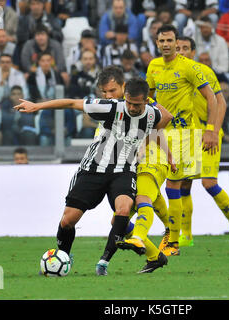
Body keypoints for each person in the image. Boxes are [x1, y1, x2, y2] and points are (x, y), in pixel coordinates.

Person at [14, 77, 173, 274]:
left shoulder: (152, 114)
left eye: (137, 105)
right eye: (129, 102)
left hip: (124, 170)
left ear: (146, 101)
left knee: (123, 209)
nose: (132, 108)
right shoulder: (111, 107)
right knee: (68, 220)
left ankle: (104, 263)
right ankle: (63, 256)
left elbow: (167, 117)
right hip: (95, 168)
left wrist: (160, 149)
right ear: (125, 97)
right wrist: (38, 106)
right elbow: (72, 103)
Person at [92, 66, 174, 275]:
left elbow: (164, 117)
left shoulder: (138, 100)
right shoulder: (114, 110)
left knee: (142, 198)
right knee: (118, 221)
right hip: (129, 164)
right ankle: (155, 256)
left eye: (112, 91)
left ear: (124, 87)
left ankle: (158, 233)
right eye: (105, 92)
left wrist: (144, 144)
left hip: (152, 158)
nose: (108, 96)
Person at [146, 24, 219, 256]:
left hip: (183, 134)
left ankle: (173, 242)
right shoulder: (153, 66)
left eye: (170, 41)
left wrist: (211, 130)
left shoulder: (189, 67)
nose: (166, 45)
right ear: (156, 43)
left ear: (177, 43)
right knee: (154, 183)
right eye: (162, 41)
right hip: (159, 133)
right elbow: (148, 96)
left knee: (173, 186)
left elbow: (212, 98)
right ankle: (169, 234)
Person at [174, 36, 229, 248]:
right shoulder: (172, 74)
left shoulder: (203, 72)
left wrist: (212, 130)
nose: (181, 51)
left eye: (185, 48)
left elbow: (220, 102)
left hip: (208, 133)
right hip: (186, 136)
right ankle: (186, 235)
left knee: (208, 182)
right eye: (178, 48)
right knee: (183, 183)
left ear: (193, 52)